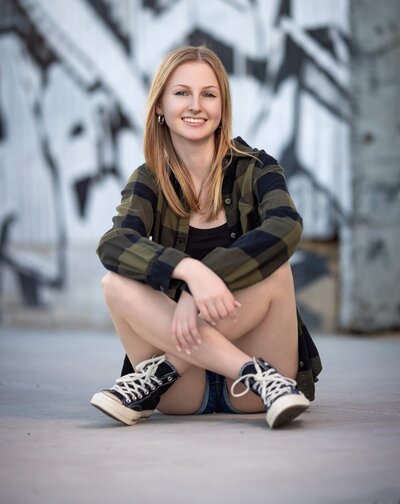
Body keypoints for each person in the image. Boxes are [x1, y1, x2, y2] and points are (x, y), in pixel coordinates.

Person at [90, 45, 322, 429]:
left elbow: (286, 226)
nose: (195, 105)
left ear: (222, 107)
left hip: (257, 389)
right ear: (161, 106)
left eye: (208, 94)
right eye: (182, 93)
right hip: (186, 391)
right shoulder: (149, 179)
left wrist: (198, 288)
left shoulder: (256, 168)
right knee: (114, 282)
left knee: (275, 268)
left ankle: (158, 374)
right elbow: (114, 243)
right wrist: (188, 273)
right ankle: (249, 370)